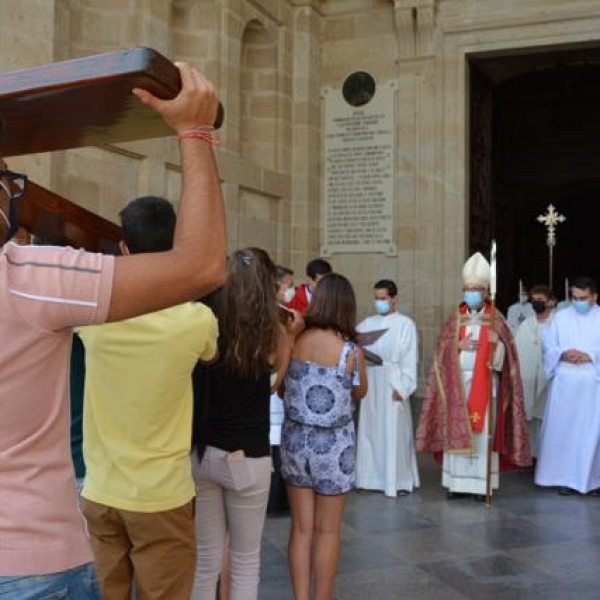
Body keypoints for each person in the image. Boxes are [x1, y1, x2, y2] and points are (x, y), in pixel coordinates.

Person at [0, 63, 226, 599]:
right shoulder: (30, 282)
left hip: (97, 493)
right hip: (31, 557)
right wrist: (194, 133)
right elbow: (200, 267)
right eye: (7, 179)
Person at [76, 196, 219, 600]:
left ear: (124, 248)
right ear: (174, 246)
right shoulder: (195, 320)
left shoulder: (95, 314)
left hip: (101, 487)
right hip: (161, 494)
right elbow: (212, 354)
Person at [191, 248, 301, 600]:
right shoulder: (274, 335)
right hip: (250, 455)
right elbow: (274, 384)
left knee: (205, 561)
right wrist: (292, 338)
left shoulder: (206, 324)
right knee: (245, 561)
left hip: (205, 452)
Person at [415, 252, 531, 498]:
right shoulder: (454, 319)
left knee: (481, 435)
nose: (470, 294)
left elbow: (509, 358)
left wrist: (497, 344)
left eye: (475, 290)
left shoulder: (496, 320)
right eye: (467, 289)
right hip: (458, 386)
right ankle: (456, 485)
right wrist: (457, 346)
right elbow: (440, 354)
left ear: (485, 292)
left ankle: (481, 486)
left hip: (486, 386)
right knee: (458, 429)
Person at [281, 273, 367, 600]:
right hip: (333, 447)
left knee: (301, 529)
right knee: (327, 530)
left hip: (295, 442)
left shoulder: (296, 340)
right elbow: (360, 391)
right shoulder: (349, 352)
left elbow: (282, 384)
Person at [535, 276, 600, 496]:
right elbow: (549, 344)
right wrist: (562, 352)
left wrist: (589, 355)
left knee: (588, 433)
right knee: (564, 431)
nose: (578, 302)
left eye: (583, 298)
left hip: (592, 385)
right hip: (565, 383)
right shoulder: (561, 317)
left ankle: (592, 479)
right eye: (574, 298)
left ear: (594, 297)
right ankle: (563, 477)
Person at [356, 279, 419, 497]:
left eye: (383, 298)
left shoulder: (405, 324)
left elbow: (410, 359)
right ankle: (369, 477)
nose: (379, 303)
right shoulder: (365, 324)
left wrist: (403, 388)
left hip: (392, 381)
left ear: (394, 299)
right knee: (370, 432)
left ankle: (396, 480)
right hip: (371, 381)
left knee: (394, 433)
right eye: (376, 298)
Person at [268, 264, 297, 515]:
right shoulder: (274, 314)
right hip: (272, 380)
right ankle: (274, 498)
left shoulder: (286, 313)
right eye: (288, 284)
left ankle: (278, 497)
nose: (291, 290)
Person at [514, 284, 555, 458]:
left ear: (551, 302)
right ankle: (530, 454)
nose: (536, 303)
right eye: (534, 300)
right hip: (528, 378)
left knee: (547, 418)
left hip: (549, 380)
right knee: (529, 418)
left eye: (541, 300)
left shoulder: (558, 323)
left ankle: (547, 455)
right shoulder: (526, 325)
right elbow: (516, 349)